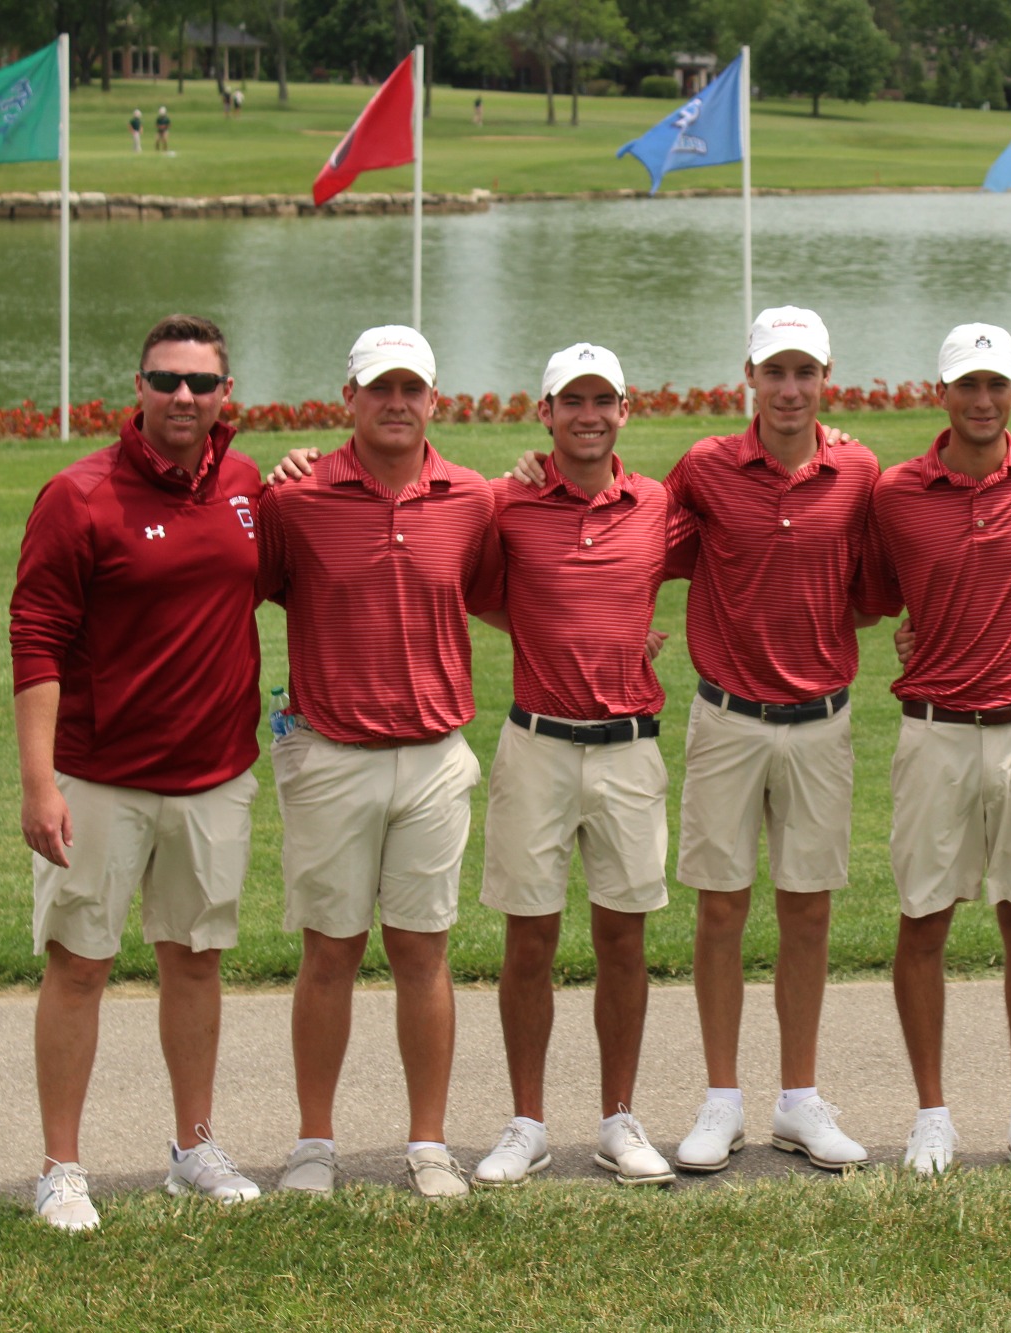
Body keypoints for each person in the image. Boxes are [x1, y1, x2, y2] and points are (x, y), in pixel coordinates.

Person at [10, 314, 264, 1231]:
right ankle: (60, 1168)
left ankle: (193, 1147)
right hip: (101, 775)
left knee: (195, 962)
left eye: (201, 383)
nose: (184, 398)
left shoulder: (244, 485)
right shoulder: (78, 497)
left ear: (225, 394)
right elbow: (35, 636)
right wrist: (40, 784)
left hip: (213, 775)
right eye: (166, 381)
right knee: (80, 965)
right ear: (139, 389)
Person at [257, 326, 501, 1200]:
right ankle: (314, 1143)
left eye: (412, 388)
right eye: (379, 388)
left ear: (434, 400)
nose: (396, 403)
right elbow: (231, 584)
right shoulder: (297, 498)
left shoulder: (473, 499)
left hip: (435, 757)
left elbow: (512, 592)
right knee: (330, 950)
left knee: (423, 953)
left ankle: (428, 1143)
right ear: (347, 398)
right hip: (330, 754)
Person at [859, 323, 1011, 1176]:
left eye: (996, 385)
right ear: (943, 393)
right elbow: (881, 594)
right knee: (923, 919)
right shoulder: (894, 493)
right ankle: (932, 1114)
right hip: (934, 731)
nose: (983, 401)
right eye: (968, 385)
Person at [656, 308, 878, 1174]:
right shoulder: (706, 469)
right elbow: (640, 536)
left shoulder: (858, 470)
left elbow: (875, 585)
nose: (790, 389)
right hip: (727, 718)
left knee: (809, 910)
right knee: (720, 906)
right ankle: (721, 1100)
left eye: (805, 373)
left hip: (821, 721)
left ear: (828, 376)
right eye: (773, 372)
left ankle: (798, 1099)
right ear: (748, 375)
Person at [471, 343, 682, 1189]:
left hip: (629, 749)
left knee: (622, 937)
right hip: (538, 746)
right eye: (573, 401)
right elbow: (478, 587)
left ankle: (619, 1119)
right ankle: (526, 1122)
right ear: (546, 414)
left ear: (625, 410)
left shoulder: (659, 501)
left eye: (605, 400)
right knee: (530, 936)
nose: (589, 415)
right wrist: (547, 628)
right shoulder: (506, 501)